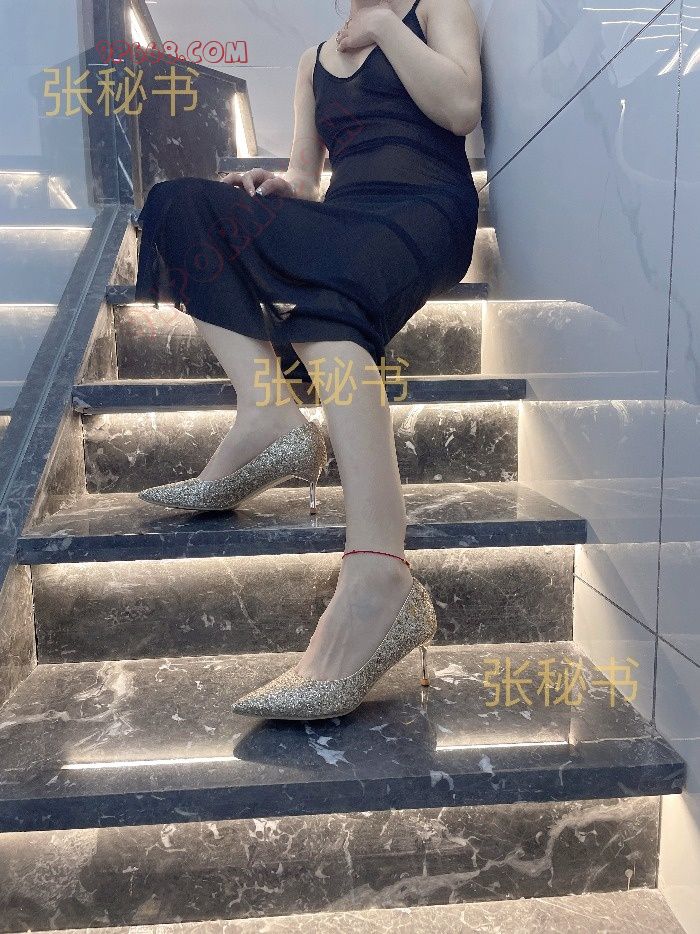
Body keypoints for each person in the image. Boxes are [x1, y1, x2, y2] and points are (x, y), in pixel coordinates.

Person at [133, 0, 482, 720]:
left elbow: (460, 109)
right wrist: (282, 187)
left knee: (326, 317)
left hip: (426, 212)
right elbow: (306, 173)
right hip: (343, 218)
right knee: (176, 206)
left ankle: (378, 577)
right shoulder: (312, 61)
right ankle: (266, 411)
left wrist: (385, 28)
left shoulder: (437, 8)